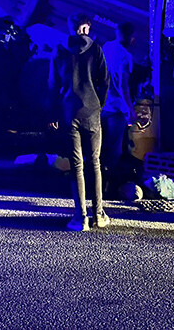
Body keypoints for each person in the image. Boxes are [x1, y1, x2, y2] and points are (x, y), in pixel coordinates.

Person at [49, 13, 110, 231]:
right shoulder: (96, 49)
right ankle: (99, 215)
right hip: (92, 111)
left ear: (71, 27)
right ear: (87, 28)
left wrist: (54, 114)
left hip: (68, 112)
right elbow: (104, 82)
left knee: (77, 165)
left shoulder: (60, 50)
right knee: (94, 162)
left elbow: (53, 85)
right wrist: (98, 105)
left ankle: (80, 217)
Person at [101, 21, 136, 196]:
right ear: (131, 37)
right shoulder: (125, 56)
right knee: (115, 149)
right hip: (117, 109)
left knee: (101, 145)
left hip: (102, 106)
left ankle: (96, 182)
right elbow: (123, 86)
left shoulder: (106, 47)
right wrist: (130, 109)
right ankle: (108, 187)